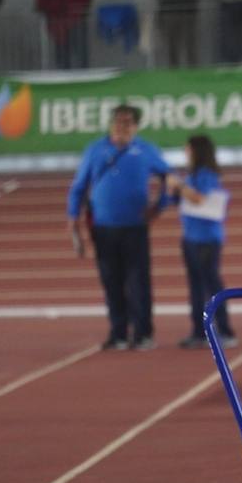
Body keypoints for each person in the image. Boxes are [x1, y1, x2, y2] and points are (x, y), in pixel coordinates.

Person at [66, 104, 169, 351]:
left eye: (127, 122)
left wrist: (158, 206)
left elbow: (170, 178)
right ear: (111, 124)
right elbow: (79, 186)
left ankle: (143, 333)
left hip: (135, 227)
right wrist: (73, 219)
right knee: (111, 282)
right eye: (118, 121)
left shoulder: (146, 150)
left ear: (136, 126)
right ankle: (118, 332)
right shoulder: (95, 150)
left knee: (139, 282)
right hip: (103, 228)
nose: (121, 127)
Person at [168, 134, 235, 350]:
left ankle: (225, 330)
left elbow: (199, 198)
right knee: (196, 287)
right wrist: (174, 191)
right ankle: (199, 331)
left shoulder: (206, 174)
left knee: (211, 285)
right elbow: (182, 198)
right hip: (190, 237)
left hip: (207, 239)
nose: (185, 152)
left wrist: (178, 186)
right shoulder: (192, 174)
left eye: (187, 148)